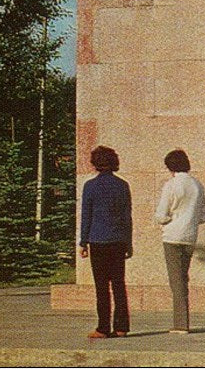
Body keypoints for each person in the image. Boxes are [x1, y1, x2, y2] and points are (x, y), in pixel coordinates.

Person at [79, 145, 133, 339]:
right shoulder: (122, 185)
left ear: (95, 163)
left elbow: (87, 215)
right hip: (118, 240)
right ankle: (122, 327)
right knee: (119, 284)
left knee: (101, 286)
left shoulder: (90, 186)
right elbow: (127, 216)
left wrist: (83, 242)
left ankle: (103, 327)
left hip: (98, 240)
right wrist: (129, 242)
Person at [155, 149, 205, 333]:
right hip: (189, 236)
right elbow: (204, 215)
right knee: (183, 279)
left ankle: (180, 324)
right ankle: (183, 321)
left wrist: (168, 220)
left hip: (171, 236)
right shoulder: (197, 185)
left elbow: (161, 214)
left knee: (175, 281)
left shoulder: (170, 185)